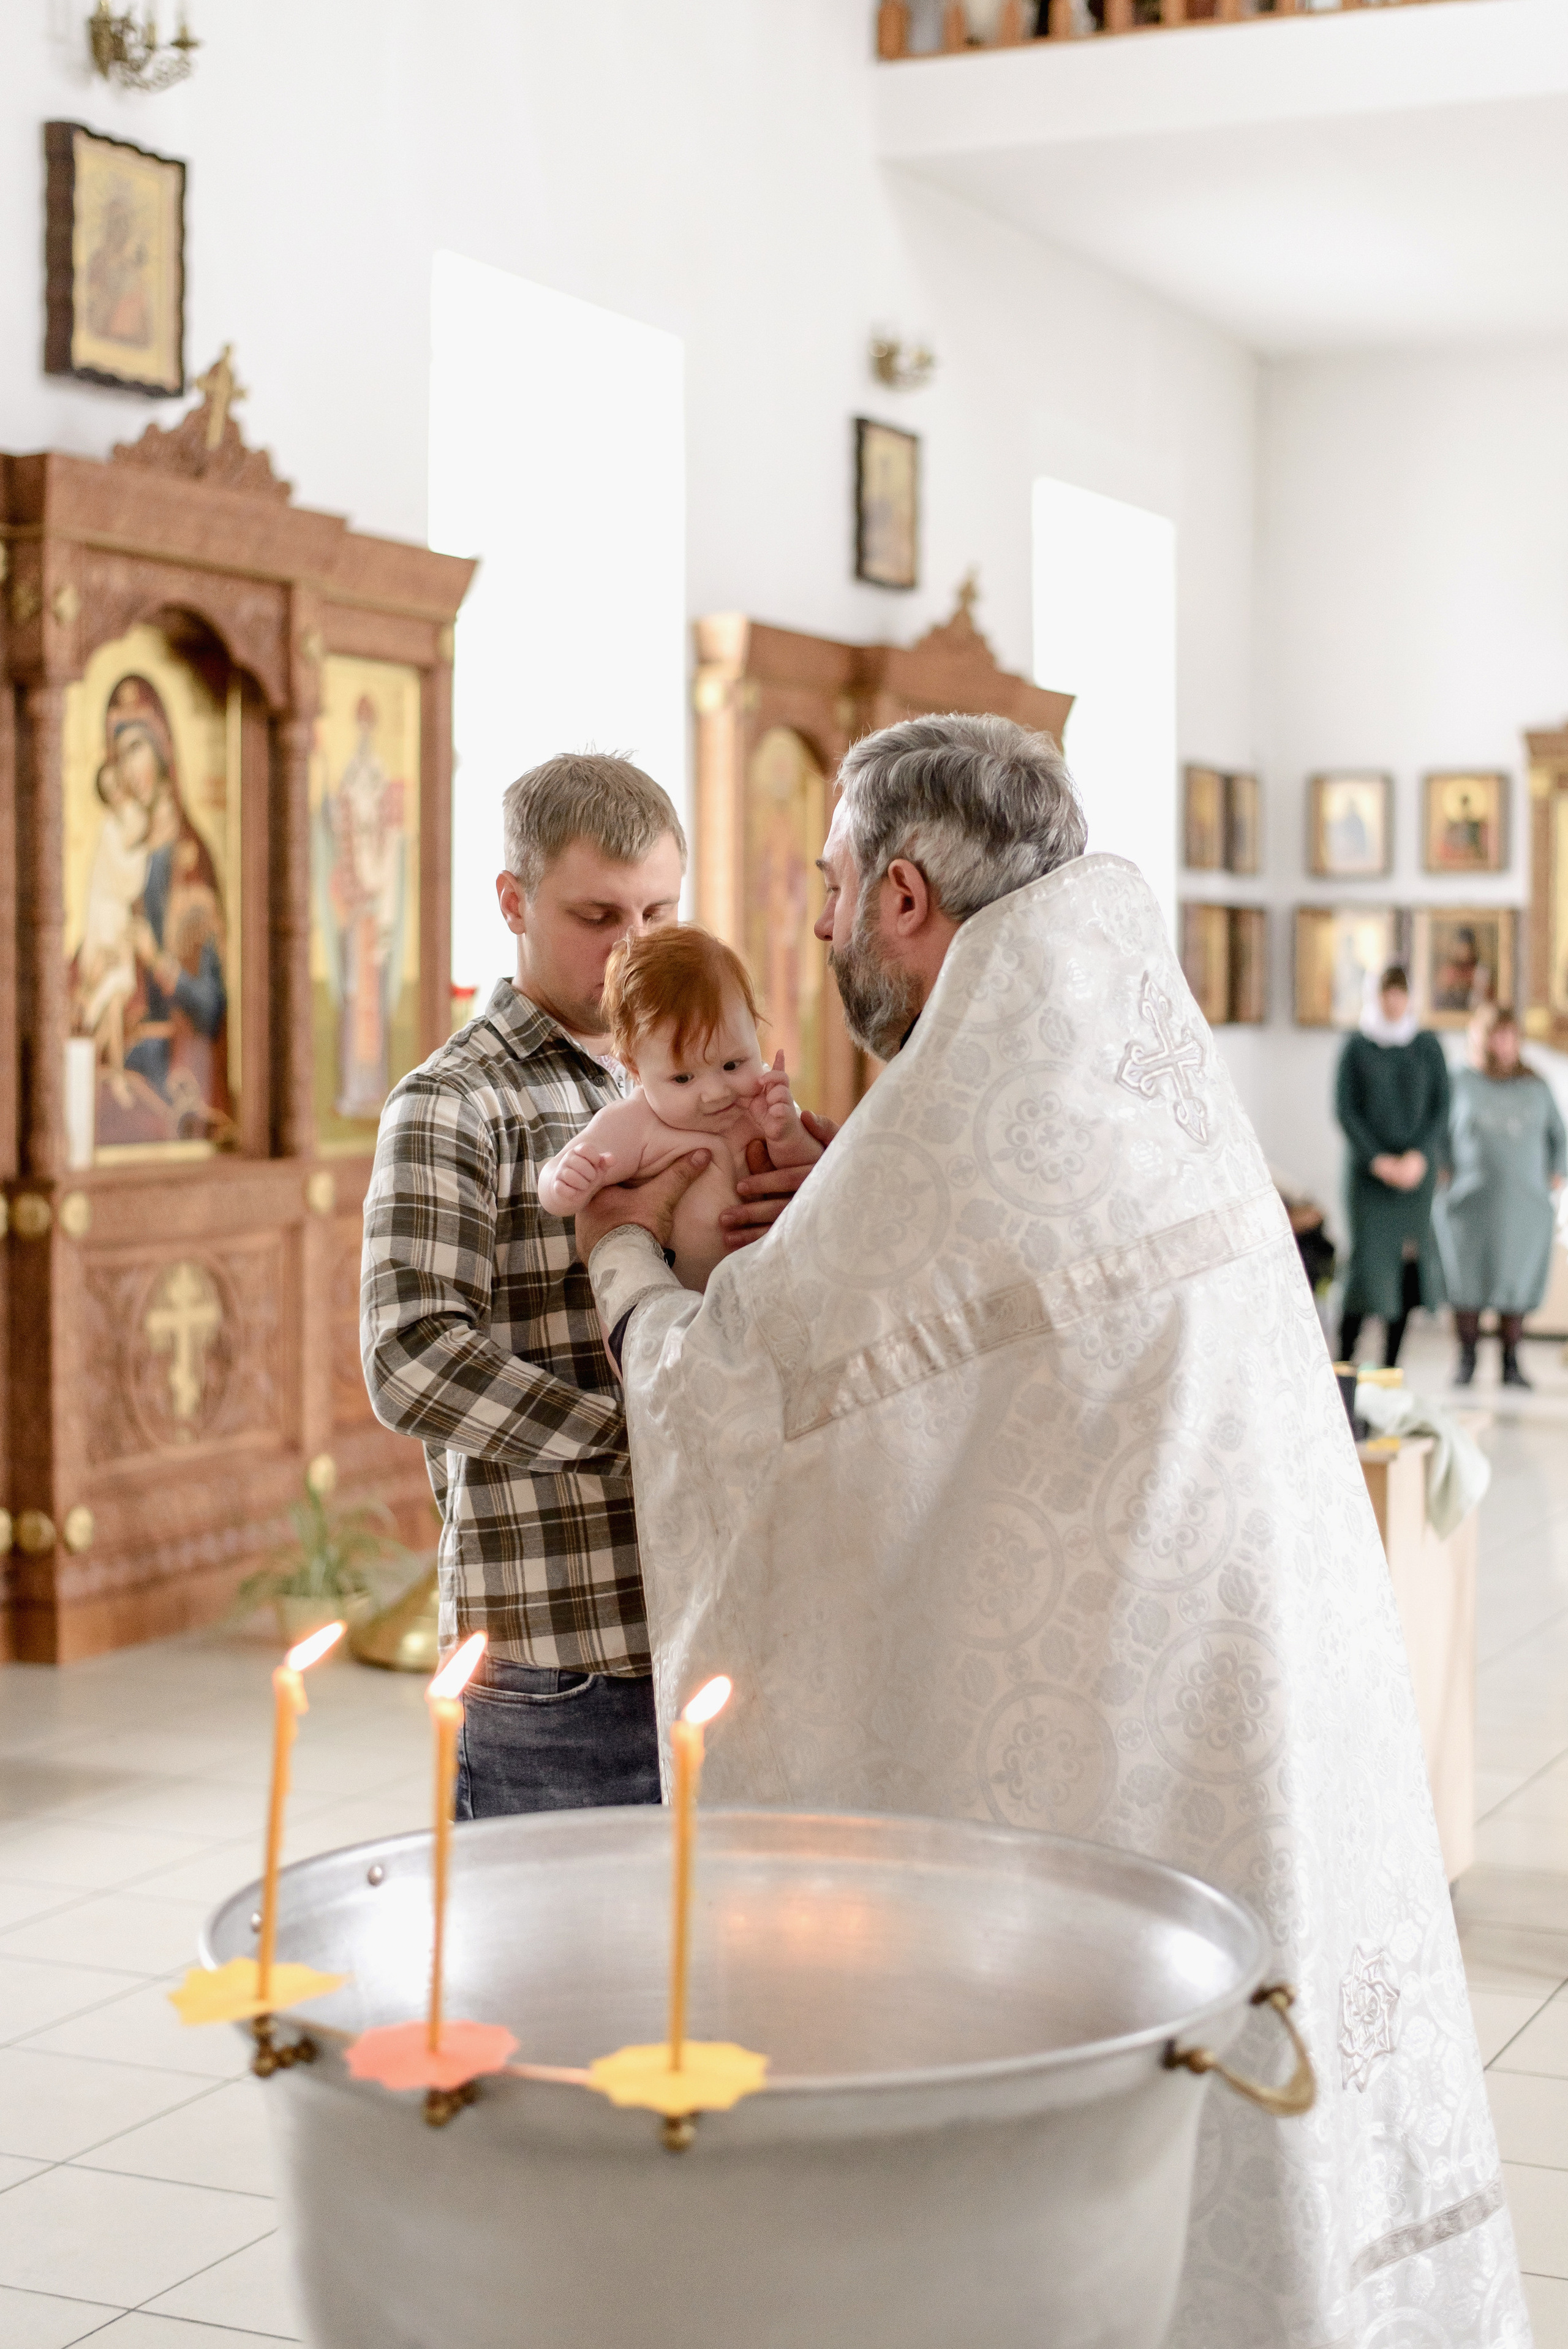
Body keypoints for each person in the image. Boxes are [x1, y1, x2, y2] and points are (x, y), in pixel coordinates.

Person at [574, 713, 1525, 2349]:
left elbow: (737, 1398)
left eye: (828, 886)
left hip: (1106, 1752)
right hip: (1248, 1709)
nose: (815, 924)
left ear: (901, 893)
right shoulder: (1133, 1045)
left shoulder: (962, 1099)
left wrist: (622, 1258)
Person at [360, 753, 822, 1818]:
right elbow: (408, 1356)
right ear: (513, 902)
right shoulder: (453, 1102)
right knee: (556, 1934)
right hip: (561, 1654)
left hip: (724, 1620)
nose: (638, 946)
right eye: (599, 915)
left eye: (660, 910)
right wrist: (648, 1433)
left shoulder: (712, 1077)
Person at [538, 926, 821, 1291]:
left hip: (769, 1298)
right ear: (635, 1068)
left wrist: (787, 1135)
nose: (715, 1094)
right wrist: (565, 1184)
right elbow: (552, 1175)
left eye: (732, 1065)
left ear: (754, 1029)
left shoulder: (764, 1102)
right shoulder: (635, 1123)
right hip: (679, 1312)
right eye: (683, 1078)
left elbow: (814, 1177)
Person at [1434, 1005, 1567, 1388]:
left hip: (1523, 1204)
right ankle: (1466, 1359)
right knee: (1466, 1281)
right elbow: (1437, 1131)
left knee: (1516, 1281)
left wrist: (1556, 1172)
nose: (1504, 1044)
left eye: (1511, 1035)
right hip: (1469, 1202)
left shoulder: (1536, 1086)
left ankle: (1511, 1362)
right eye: (1497, 1035)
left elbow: (1559, 1137)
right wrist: (1441, 1168)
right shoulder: (1459, 1081)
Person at [1334, 964, 1449, 1367]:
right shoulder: (1357, 1047)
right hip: (1370, 1178)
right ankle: (1344, 1364)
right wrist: (1378, 1161)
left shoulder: (1427, 1046)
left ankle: (1389, 1369)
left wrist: (1420, 1156)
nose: (1394, 1002)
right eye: (1388, 993)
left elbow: (1441, 1108)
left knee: (1406, 1272)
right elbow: (1346, 1110)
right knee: (1366, 1270)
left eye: (1401, 993)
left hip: (1415, 1177)